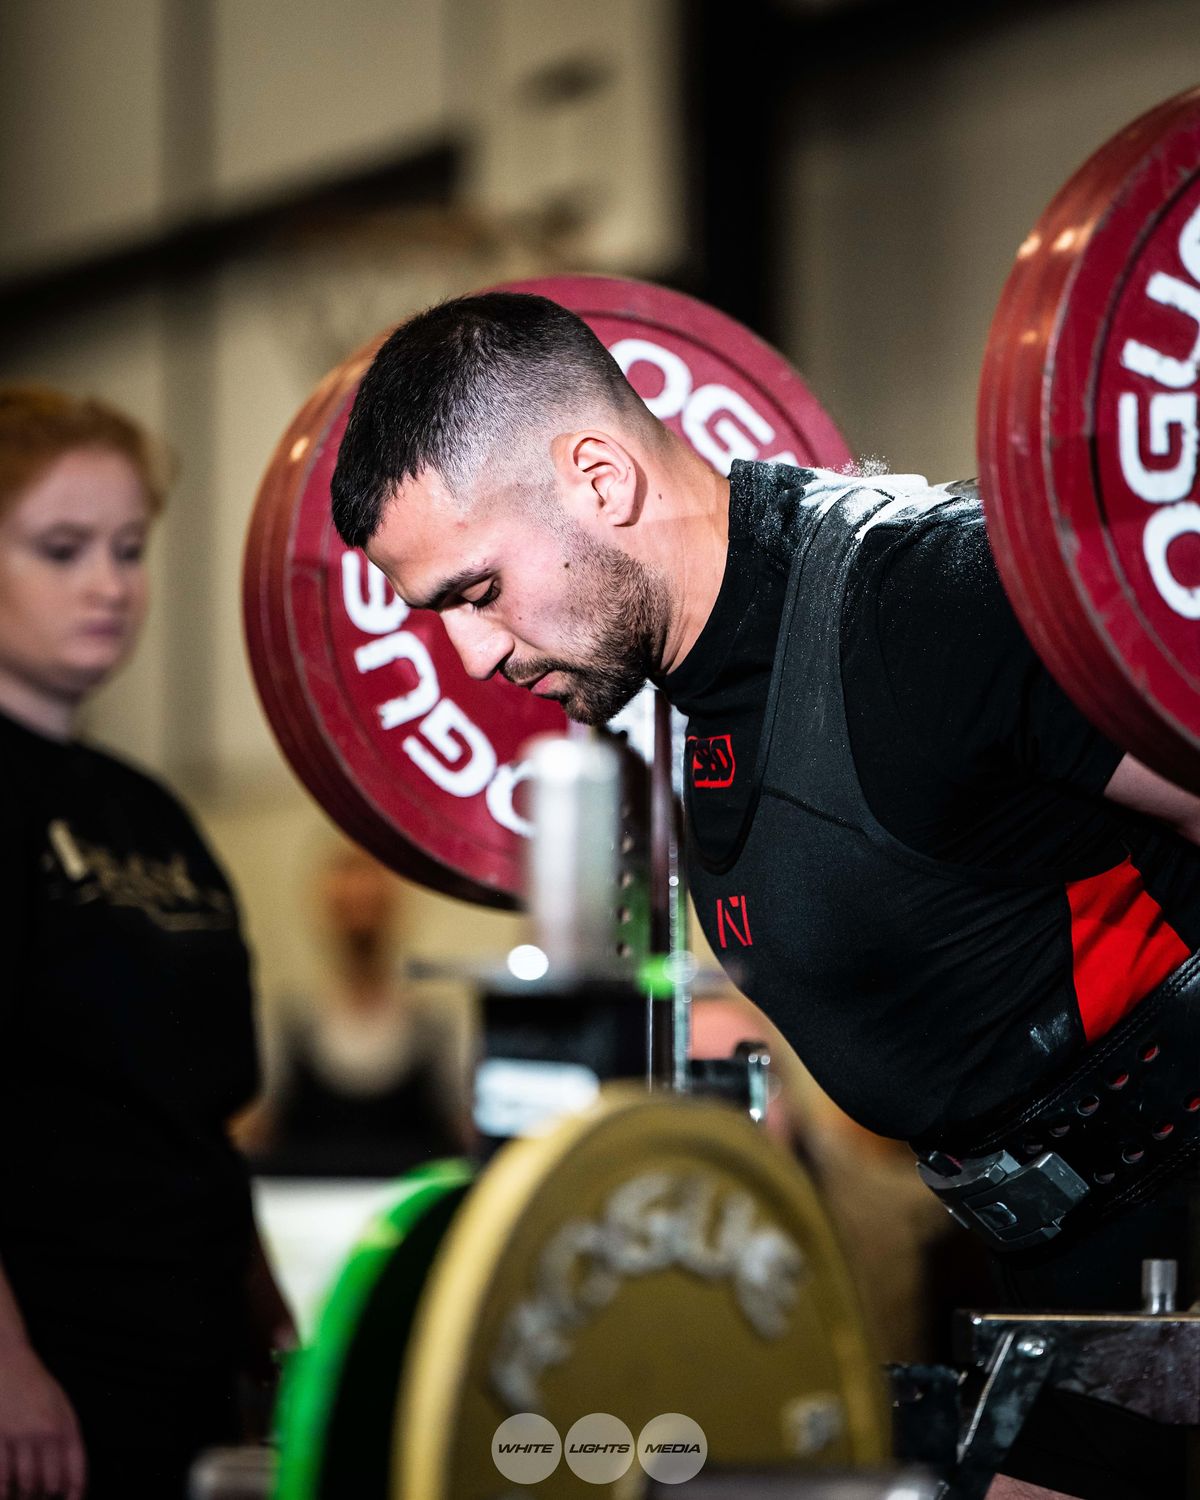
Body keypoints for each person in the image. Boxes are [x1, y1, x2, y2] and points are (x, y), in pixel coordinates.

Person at [328, 292, 1200, 1500]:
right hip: (1055, 1271)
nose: (471, 659)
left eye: (475, 593)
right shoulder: (693, 685)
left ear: (597, 475)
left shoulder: (926, 599)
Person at [0, 388, 294, 1500]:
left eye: (128, 548)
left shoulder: (152, 815)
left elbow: (200, 1120)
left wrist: (268, 1315)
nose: (109, 583)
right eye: (62, 548)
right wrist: (5, 1364)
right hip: (55, 1372)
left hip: (193, 1361)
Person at [243, 841, 472, 1177]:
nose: (360, 913)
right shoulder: (287, 1025)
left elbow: (469, 1139)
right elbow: (252, 1137)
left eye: (372, 902)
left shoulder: (437, 1029)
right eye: (347, 905)